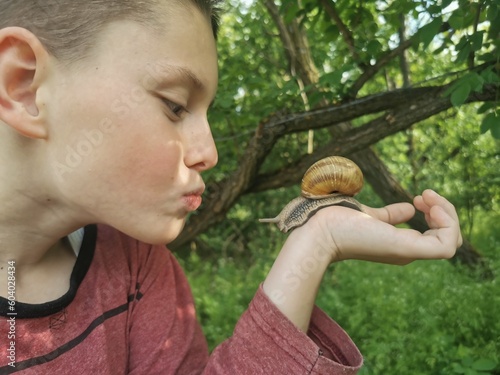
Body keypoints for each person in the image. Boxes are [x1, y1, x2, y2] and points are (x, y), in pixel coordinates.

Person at [0, 0, 462, 374]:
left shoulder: (138, 269)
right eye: (176, 106)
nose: (210, 152)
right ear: (23, 85)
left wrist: (317, 240)